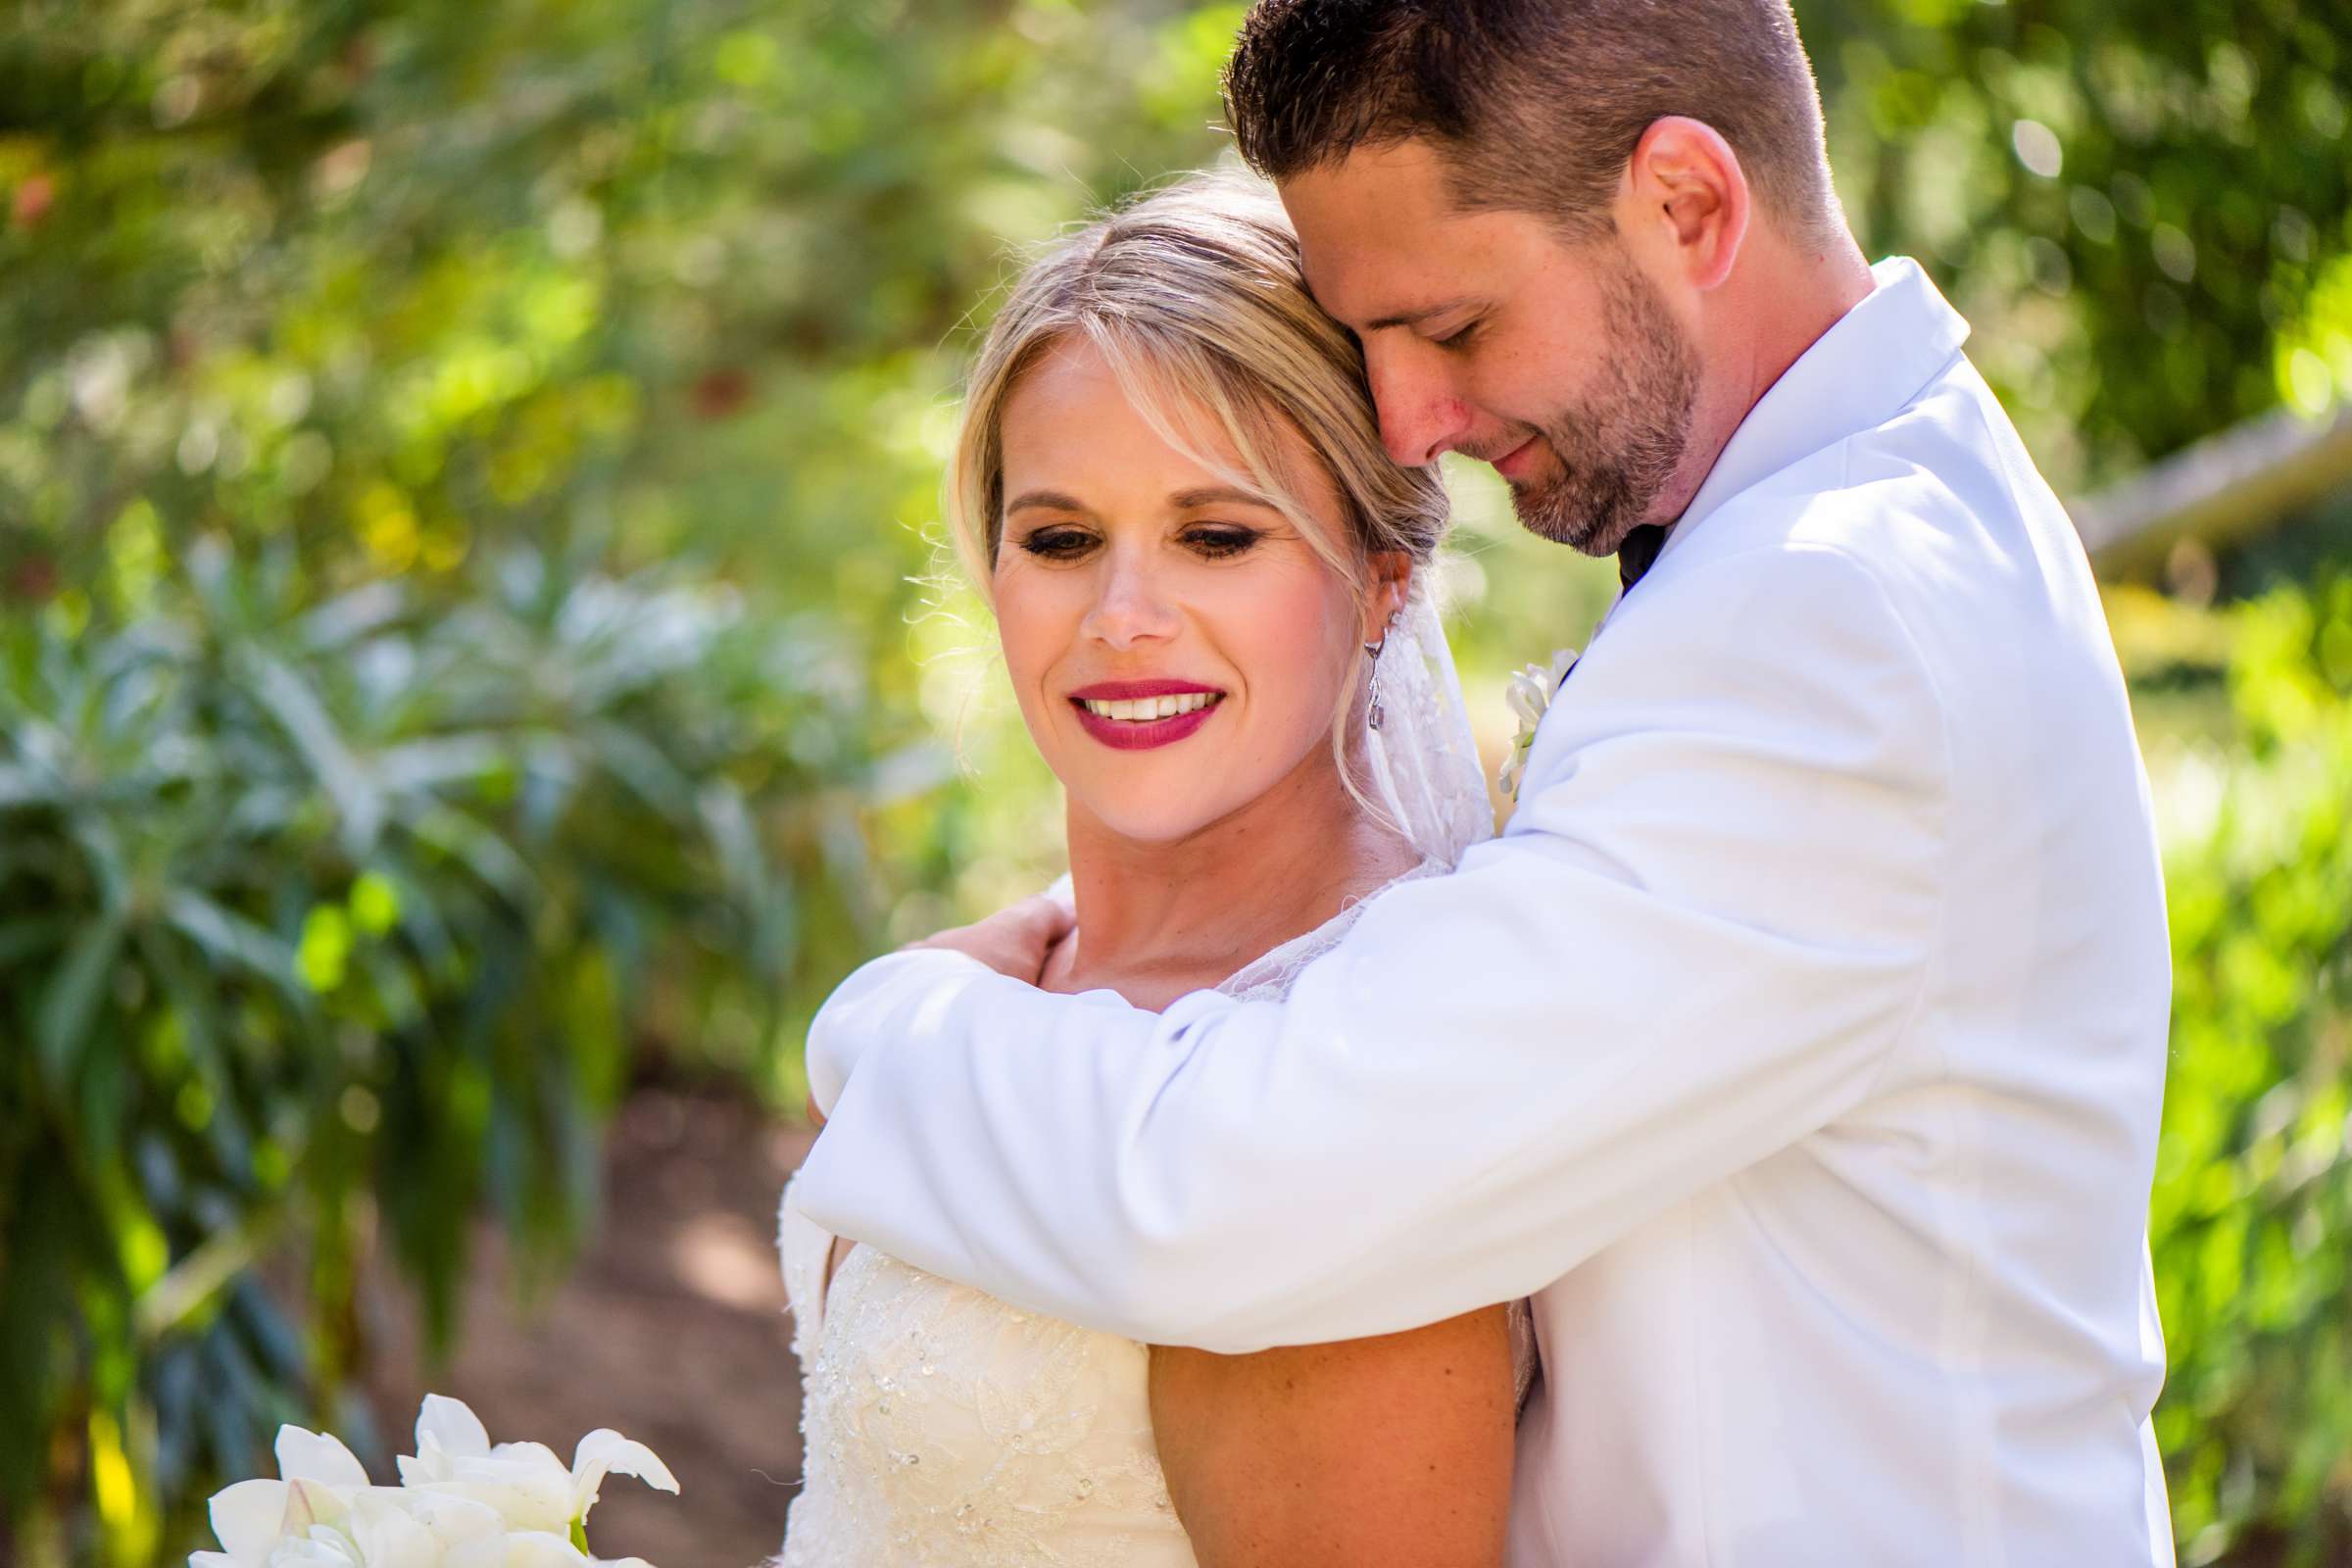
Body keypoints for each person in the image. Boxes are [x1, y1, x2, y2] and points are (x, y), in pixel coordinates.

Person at [793, 1, 2179, 1563]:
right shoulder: (1876, 529)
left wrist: (888, 1027)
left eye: (1448, 328)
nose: (1406, 423)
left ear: (1687, 204)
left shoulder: (1830, 615)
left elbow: (1243, 1191)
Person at [776, 170, 1529, 1566]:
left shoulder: (1341, 1104)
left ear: (1380, 581)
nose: (1124, 618)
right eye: (1061, 539)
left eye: (1216, 535)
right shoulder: (998, 983)